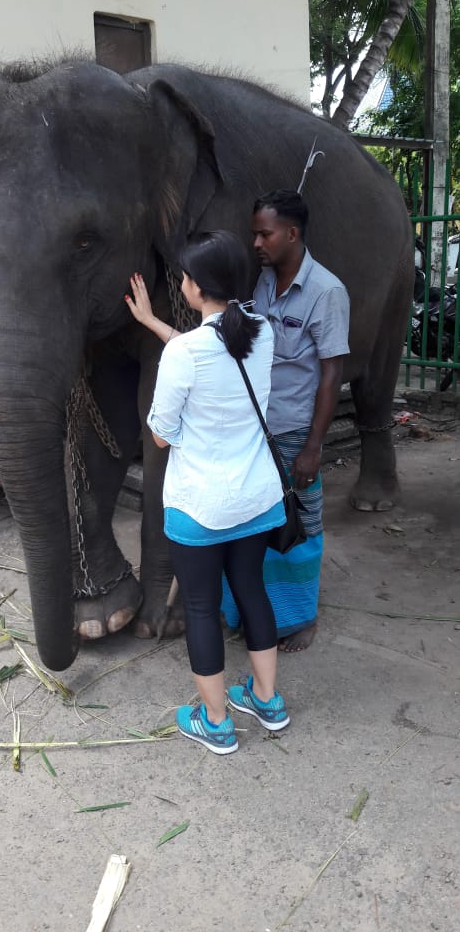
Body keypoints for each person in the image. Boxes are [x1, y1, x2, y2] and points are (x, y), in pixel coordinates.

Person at [125, 231, 290, 755]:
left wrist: (163, 344)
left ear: (195, 287)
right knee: (251, 591)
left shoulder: (186, 355)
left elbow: (160, 433)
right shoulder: (261, 331)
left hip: (200, 506)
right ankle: (267, 700)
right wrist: (154, 324)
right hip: (258, 500)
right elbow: (213, 346)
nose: (181, 282)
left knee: (200, 606)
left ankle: (215, 721)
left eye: (185, 276)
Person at [223, 188, 350, 653]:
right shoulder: (260, 283)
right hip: (255, 426)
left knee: (301, 525)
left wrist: (313, 447)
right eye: (254, 233)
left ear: (292, 234)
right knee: (256, 522)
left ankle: (302, 618)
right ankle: (247, 611)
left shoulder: (327, 292)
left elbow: (332, 373)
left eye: (264, 234)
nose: (256, 242)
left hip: (296, 431)